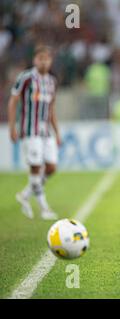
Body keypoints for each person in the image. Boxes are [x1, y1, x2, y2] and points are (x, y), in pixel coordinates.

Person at [8, 45, 61, 220]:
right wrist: (12, 127)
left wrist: (57, 132)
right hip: (30, 131)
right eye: (40, 58)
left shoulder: (52, 81)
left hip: (46, 132)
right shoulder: (26, 78)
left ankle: (24, 195)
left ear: (50, 60)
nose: (44, 61)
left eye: (46, 58)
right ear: (34, 60)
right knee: (36, 168)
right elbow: (13, 101)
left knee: (51, 167)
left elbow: (51, 109)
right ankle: (44, 208)